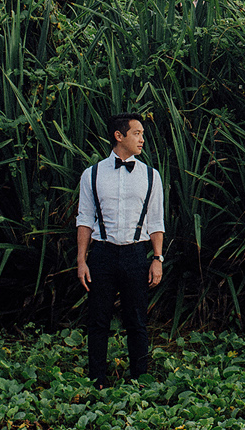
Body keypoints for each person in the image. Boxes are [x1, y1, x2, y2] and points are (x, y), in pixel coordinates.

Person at [76, 112, 166, 389]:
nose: (142, 139)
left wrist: (157, 258)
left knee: (137, 320)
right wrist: (81, 260)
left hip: (137, 254)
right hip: (102, 254)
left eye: (142, 134)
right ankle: (97, 379)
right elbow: (84, 219)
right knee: (98, 320)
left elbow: (156, 221)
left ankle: (140, 378)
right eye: (137, 133)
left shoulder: (151, 176)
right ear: (119, 136)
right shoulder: (92, 174)